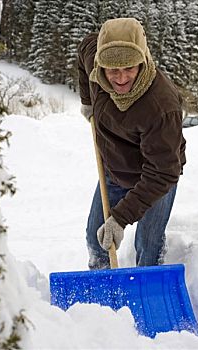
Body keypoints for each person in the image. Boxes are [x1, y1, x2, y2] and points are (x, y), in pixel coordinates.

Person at [78, 18, 186, 269]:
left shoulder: (162, 107)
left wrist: (120, 218)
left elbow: (163, 172)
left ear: (142, 61)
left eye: (129, 67)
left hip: (156, 177)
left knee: (148, 248)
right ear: (101, 65)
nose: (121, 77)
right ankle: (102, 286)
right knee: (96, 241)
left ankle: (149, 278)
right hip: (114, 170)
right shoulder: (96, 67)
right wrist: (87, 101)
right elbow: (85, 46)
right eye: (112, 70)